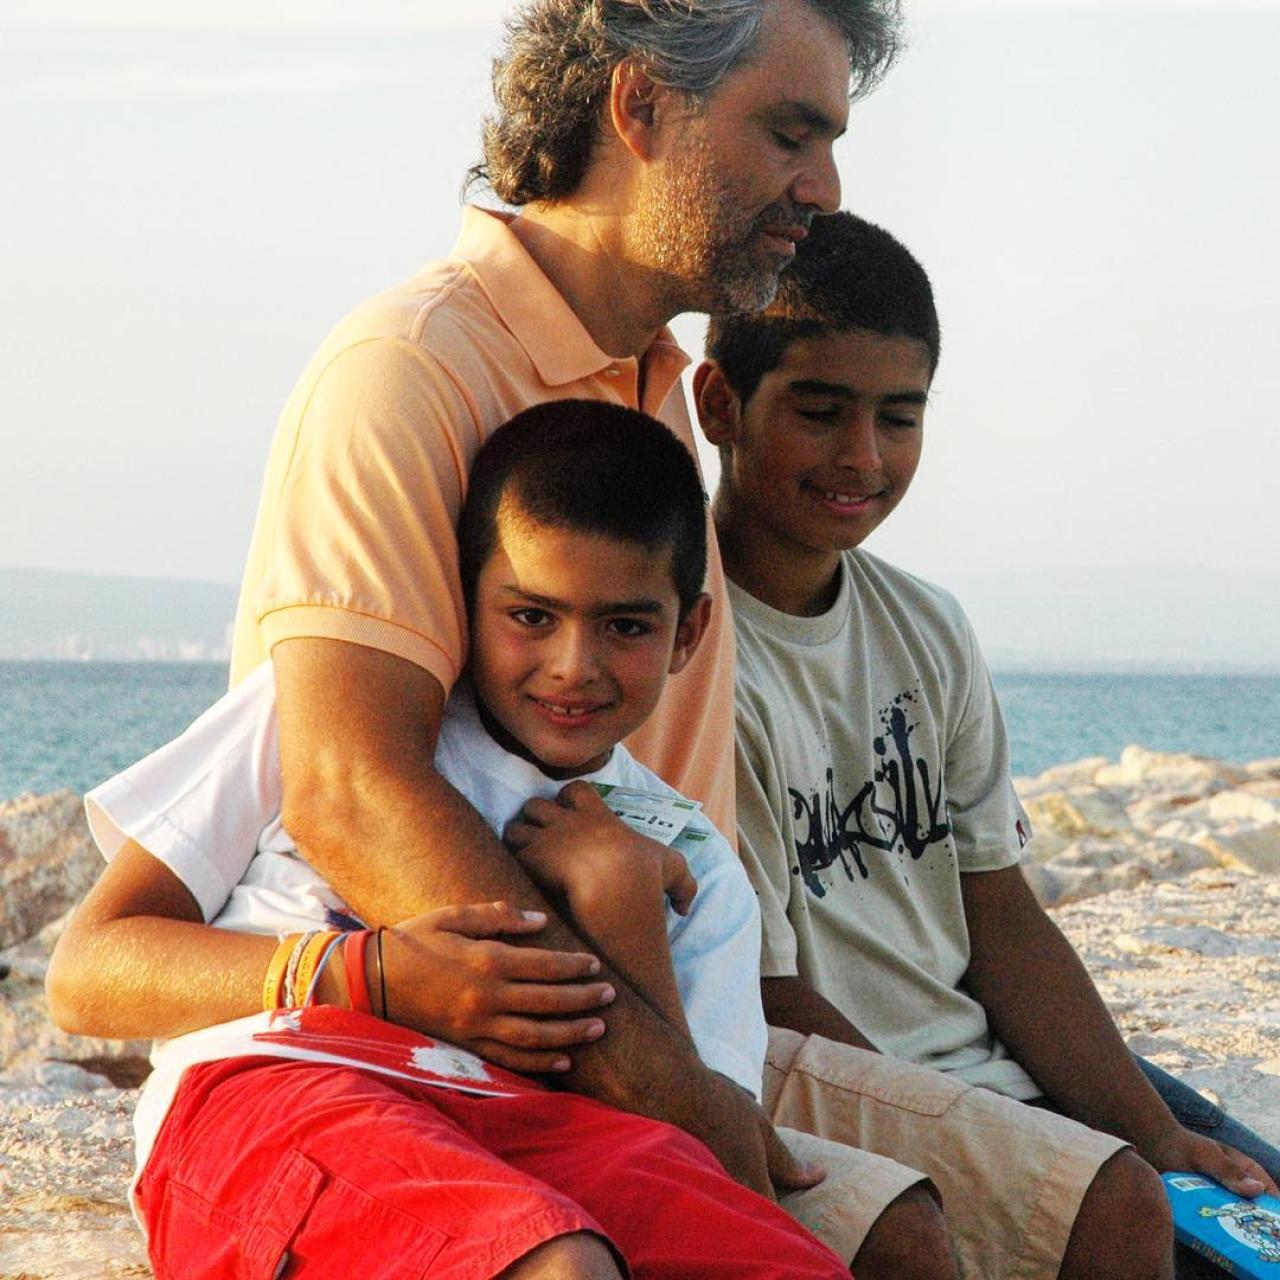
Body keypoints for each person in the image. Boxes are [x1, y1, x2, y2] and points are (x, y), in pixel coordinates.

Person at [218, 0, 901, 1210]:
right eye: (789, 134)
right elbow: (352, 795)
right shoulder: (407, 369)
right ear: (640, 107)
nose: (824, 189)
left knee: (1096, 1196)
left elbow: (672, 834)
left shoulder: (657, 394)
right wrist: (684, 1100)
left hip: (684, 1008)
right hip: (488, 1054)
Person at [49, 402, 852, 1280]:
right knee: (557, 1263)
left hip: (546, 1130)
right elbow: (85, 974)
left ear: (688, 633)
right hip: (289, 1087)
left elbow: (718, 1155)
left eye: (625, 626)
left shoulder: (689, 862)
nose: (573, 666)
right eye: (532, 616)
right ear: (463, 601)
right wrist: (368, 975)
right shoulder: (325, 717)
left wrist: (621, 904)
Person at [693, 209, 1280, 1280]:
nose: (862, 456)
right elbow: (769, 1000)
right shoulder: (690, 660)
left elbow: (1000, 916)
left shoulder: (927, 626)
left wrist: (1150, 1130)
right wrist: (1007, 1145)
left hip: (1001, 1072)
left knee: (1253, 1205)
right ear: (719, 405)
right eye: (819, 411)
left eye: (899, 417)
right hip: (874, 1107)